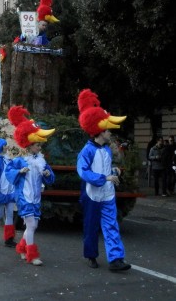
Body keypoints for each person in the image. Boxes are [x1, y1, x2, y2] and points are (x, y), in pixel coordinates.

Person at [76, 88, 131, 271]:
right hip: (93, 195)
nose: (110, 133)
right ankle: (91, 255)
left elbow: (106, 168)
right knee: (91, 227)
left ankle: (115, 259)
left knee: (111, 225)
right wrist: (104, 177)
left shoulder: (106, 149)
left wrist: (114, 171)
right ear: (99, 130)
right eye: (107, 130)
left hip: (107, 194)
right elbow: (83, 172)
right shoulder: (87, 151)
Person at [5, 106, 56, 266]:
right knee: (32, 225)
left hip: (35, 197)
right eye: (37, 145)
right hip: (24, 197)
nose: (40, 147)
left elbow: (51, 178)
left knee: (34, 225)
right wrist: (20, 171)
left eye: (40, 145)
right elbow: (9, 172)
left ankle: (21, 248)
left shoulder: (42, 161)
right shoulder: (20, 160)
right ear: (28, 144)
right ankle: (31, 255)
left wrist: (48, 175)